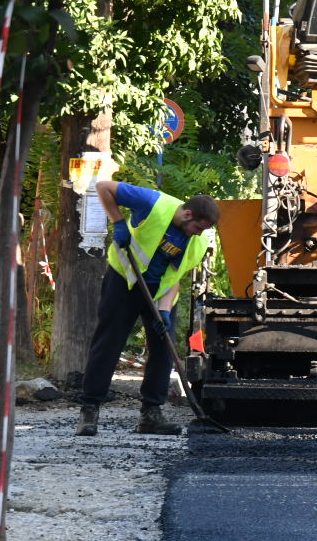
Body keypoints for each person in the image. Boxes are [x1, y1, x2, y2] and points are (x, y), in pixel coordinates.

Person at [77, 180, 219, 436]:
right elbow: (103, 187)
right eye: (198, 227)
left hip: (159, 293)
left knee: (164, 348)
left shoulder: (196, 245)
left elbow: (175, 279)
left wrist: (164, 310)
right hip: (124, 281)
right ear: (188, 214)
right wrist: (118, 222)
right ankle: (90, 409)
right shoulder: (153, 204)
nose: (198, 234)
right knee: (108, 343)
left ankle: (151, 415)